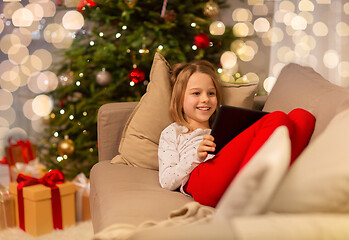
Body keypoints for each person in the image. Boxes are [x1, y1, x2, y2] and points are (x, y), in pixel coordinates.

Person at [158, 60, 316, 207]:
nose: (205, 99)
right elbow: (167, 181)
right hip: (200, 179)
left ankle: (266, 191)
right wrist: (196, 156)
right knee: (277, 117)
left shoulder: (226, 124)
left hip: (233, 173)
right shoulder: (173, 132)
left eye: (211, 93)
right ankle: (245, 194)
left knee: (303, 117)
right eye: (196, 93)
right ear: (179, 99)